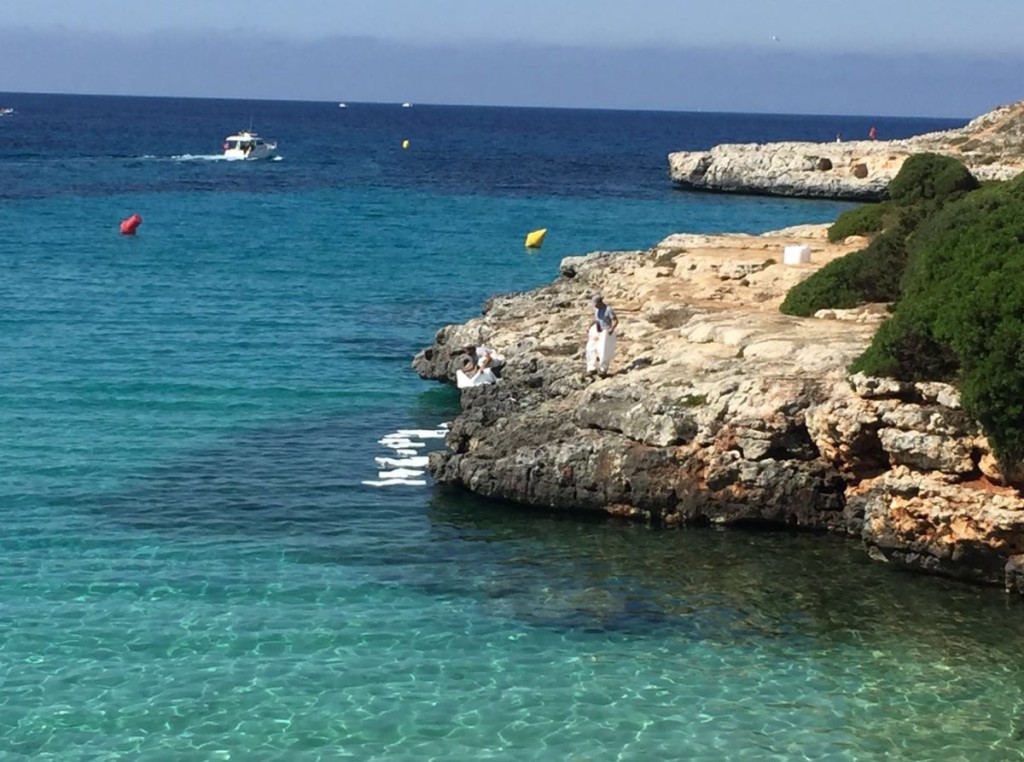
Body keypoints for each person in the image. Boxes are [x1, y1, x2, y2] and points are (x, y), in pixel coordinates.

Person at [585, 293, 619, 377]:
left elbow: (615, 320)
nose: (595, 306)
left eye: (596, 304)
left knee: (604, 351)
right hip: (597, 330)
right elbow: (596, 319)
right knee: (591, 348)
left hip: (606, 332)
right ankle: (592, 368)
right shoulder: (596, 309)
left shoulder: (608, 310)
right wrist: (589, 326)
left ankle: (603, 369)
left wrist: (612, 328)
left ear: (600, 302)